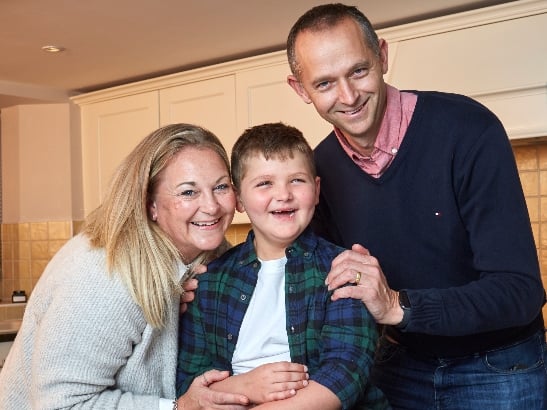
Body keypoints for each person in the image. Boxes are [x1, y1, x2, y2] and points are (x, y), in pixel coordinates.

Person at [286, 4, 547, 410]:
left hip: (499, 368)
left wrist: (397, 306)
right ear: (300, 90)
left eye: (358, 71)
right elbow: (307, 272)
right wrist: (207, 279)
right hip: (396, 367)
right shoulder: (319, 170)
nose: (349, 96)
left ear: (383, 56)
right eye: (324, 84)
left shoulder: (469, 129)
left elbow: (521, 291)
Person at [0, 123, 251, 409]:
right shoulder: (104, 273)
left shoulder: (207, 255)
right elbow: (61, 405)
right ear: (150, 204)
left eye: (220, 187)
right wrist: (179, 407)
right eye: (188, 192)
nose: (212, 206)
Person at [176, 122, 388, 409]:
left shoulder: (343, 269)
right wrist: (244, 387)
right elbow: (192, 381)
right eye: (265, 183)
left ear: (315, 189)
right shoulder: (208, 282)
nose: (283, 194)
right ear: (238, 198)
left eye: (297, 181)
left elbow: (345, 375)